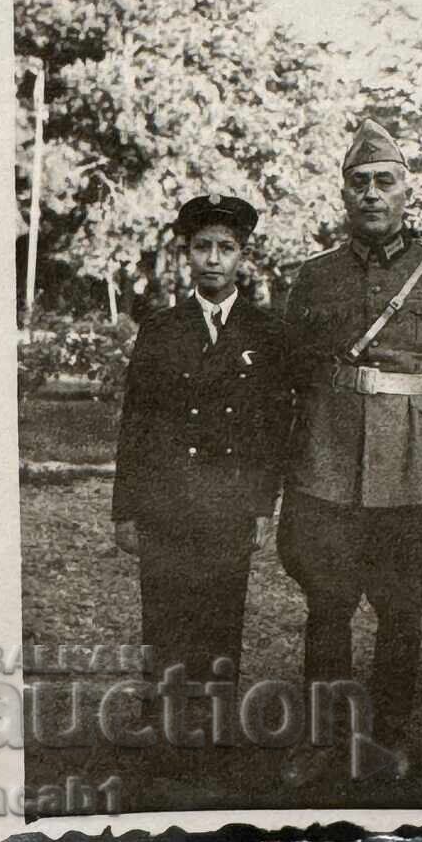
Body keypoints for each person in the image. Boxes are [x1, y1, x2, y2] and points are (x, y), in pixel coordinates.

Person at [278, 119, 422, 777]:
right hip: (327, 462)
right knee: (326, 604)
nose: (371, 194)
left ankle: (389, 733)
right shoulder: (314, 277)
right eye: (358, 184)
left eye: (384, 182)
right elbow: (290, 363)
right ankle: (321, 737)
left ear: (408, 191)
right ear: (343, 196)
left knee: (401, 606)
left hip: (412, 469)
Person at [113, 193, 291, 709]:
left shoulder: (267, 332)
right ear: (186, 253)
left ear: (243, 257)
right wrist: (125, 509)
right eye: (202, 247)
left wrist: (263, 505)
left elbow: (272, 427)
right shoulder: (162, 328)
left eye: (226, 248)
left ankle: (212, 727)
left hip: (228, 505)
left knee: (220, 619)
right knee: (164, 619)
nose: (213, 259)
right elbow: (137, 424)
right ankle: (164, 725)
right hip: (165, 503)